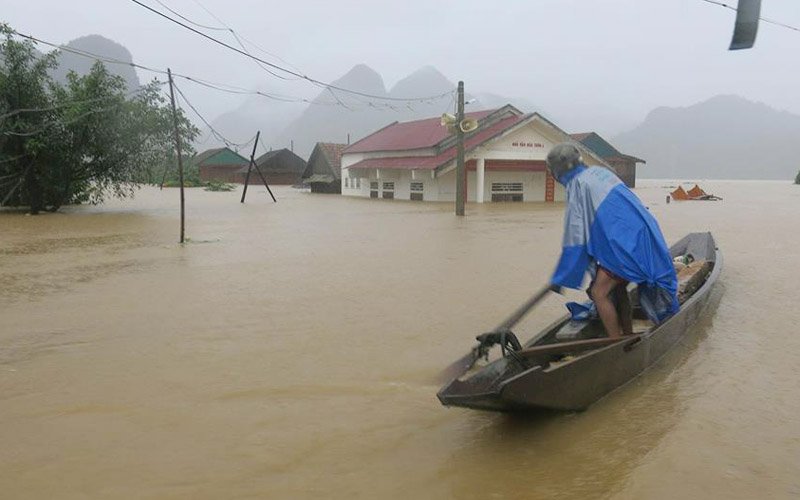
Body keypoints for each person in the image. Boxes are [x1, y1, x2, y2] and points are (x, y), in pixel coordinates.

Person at [546, 143, 679, 338]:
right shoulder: (600, 173)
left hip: (623, 244)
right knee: (619, 287)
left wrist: (561, 278)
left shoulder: (577, 184)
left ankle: (615, 343)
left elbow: (576, 238)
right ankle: (627, 333)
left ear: (558, 171)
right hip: (644, 233)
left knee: (599, 293)